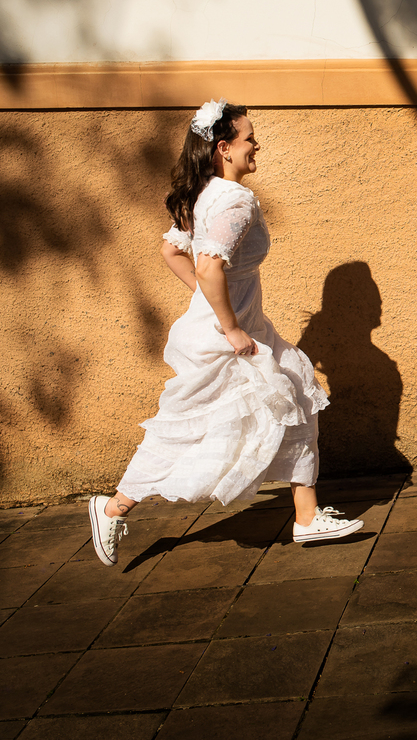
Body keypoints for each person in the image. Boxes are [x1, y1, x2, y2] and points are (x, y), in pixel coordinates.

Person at [89, 99, 363, 566]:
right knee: (189, 427)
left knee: (295, 393)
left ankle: (306, 516)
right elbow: (210, 263)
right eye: (249, 138)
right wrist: (229, 324)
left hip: (234, 325)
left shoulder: (207, 193)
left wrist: (212, 303)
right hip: (229, 335)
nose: (256, 145)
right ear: (224, 148)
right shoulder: (234, 199)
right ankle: (112, 507)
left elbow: (172, 252)